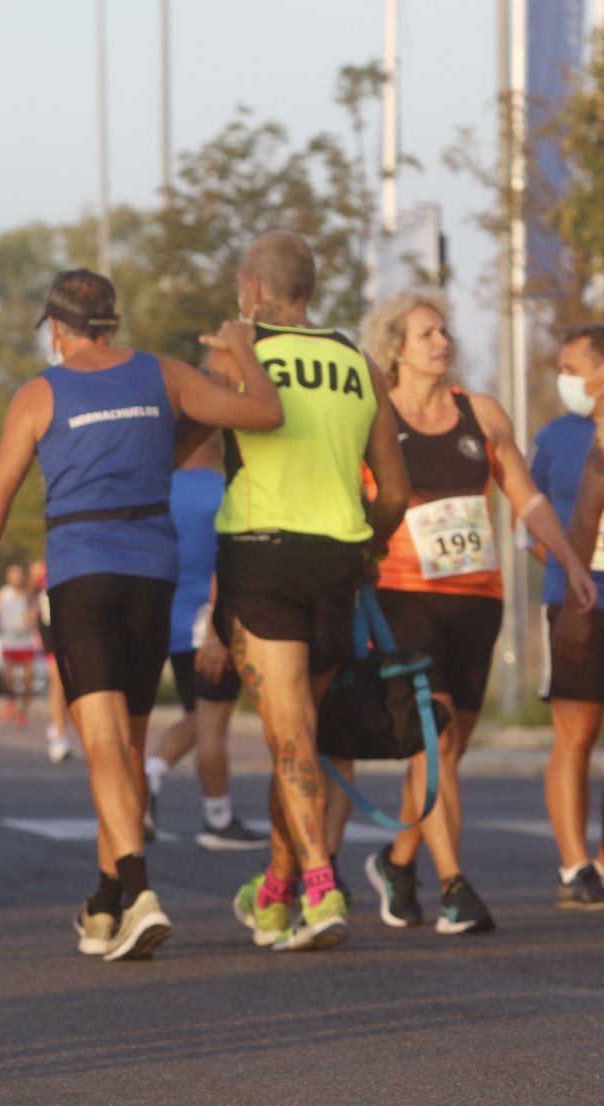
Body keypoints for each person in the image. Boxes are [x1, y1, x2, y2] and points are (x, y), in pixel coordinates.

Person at [0, 268, 285, 962]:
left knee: (101, 746)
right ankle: (104, 904)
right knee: (127, 748)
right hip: (152, 575)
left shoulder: (40, 394)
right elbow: (265, 413)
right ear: (114, 323)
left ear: (57, 330)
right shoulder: (165, 376)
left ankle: (139, 892)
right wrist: (245, 350)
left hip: (83, 574)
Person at [332, 291, 598, 935]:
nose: (442, 342)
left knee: (447, 749)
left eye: (445, 331)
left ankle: (398, 861)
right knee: (438, 734)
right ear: (396, 348)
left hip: (477, 599)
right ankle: (456, 887)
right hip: (403, 595)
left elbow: (527, 498)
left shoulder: (480, 413)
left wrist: (571, 562)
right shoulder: (371, 415)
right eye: (427, 333)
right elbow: (344, 498)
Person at [190, 232, 410, 953]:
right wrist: (369, 549)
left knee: (288, 735)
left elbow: (183, 439)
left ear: (252, 288)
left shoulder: (237, 353)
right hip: (336, 561)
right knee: (301, 735)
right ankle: (275, 893)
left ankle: (321, 887)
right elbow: (395, 493)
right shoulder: (359, 363)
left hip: (263, 556)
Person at [144, 435, 267, 852]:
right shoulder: (227, 491)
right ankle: (218, 818)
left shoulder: (159, 490)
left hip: (169, 621)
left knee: (196, 715)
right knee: (213, 723)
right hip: (213, 620)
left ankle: (151, 774)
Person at [531, 325, 604, 908]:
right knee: (575, 735)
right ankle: (574, 866)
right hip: (575, 600)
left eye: (573, 368)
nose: (564, 379)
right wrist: (570, 575)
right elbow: (534, 519)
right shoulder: (556, 437)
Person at [31, 558, 76, 763]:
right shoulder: (39, 568)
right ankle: (60, 736)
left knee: (71, 682)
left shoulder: (77, 558)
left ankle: (59, 724)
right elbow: (32, 594)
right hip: (50, 628)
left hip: (74, 626)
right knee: (58, 681)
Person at [0, 564, 37, 726]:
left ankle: (22, 712)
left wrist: (32, 619)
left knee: (28, 680)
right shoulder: (2, 594)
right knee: (8, 680)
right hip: (9, 642)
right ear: (8, 577)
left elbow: (35, 613)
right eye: (13, 574)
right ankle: (10, 700)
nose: (17, 577)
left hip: (26, 642)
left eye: (19, 574)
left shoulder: (29, 594)